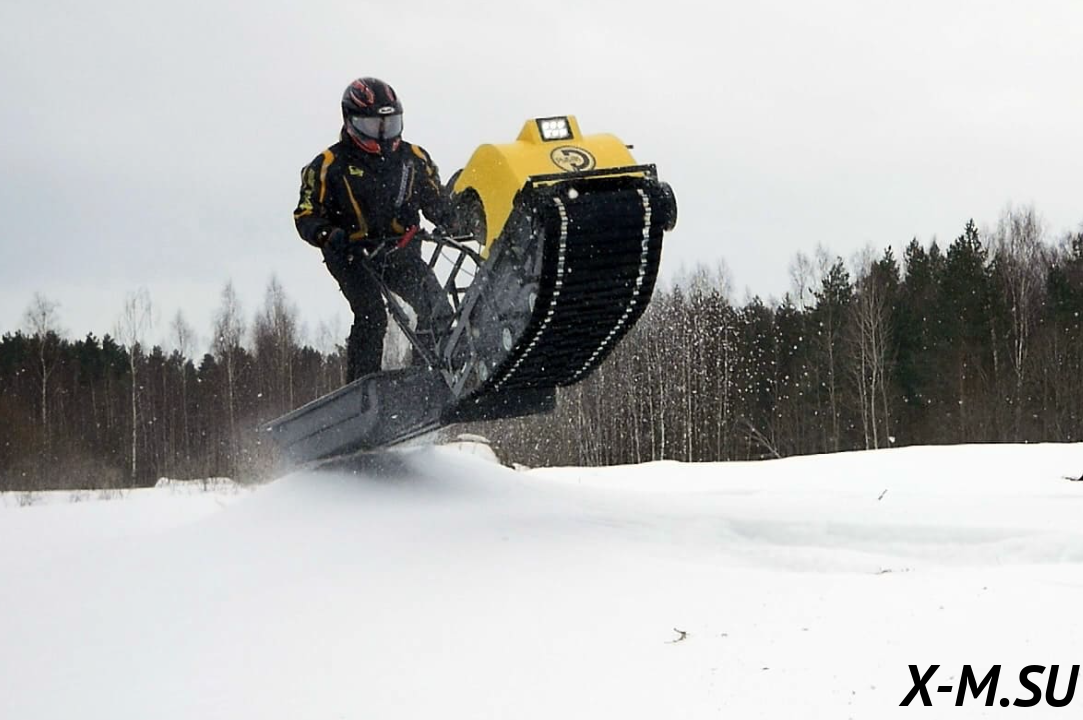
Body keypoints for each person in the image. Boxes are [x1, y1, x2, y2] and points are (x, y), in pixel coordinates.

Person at [294, 77, 454, 383]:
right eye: (373, 125)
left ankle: (427, 379)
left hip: (400, 249)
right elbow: (306, 214)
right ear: (350, 121)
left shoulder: (414, 159)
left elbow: (435, 201)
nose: (383, 135)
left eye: (390, 125)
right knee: (371, 315)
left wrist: (450, 218)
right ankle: (361, 389)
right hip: (351, 256)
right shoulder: (328, 165)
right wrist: (330, 235)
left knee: (436, 308)